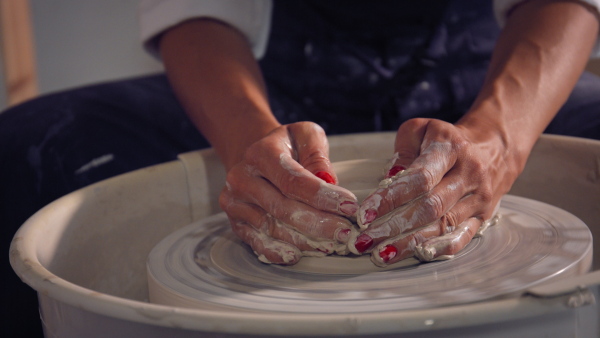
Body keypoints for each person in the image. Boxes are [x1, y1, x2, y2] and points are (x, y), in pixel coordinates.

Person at [1, 0, 599, 336]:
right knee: (21, 155)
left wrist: (497, 142)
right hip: (269, 81)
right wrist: (247, 145)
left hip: (483, 76)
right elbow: (195, 11)